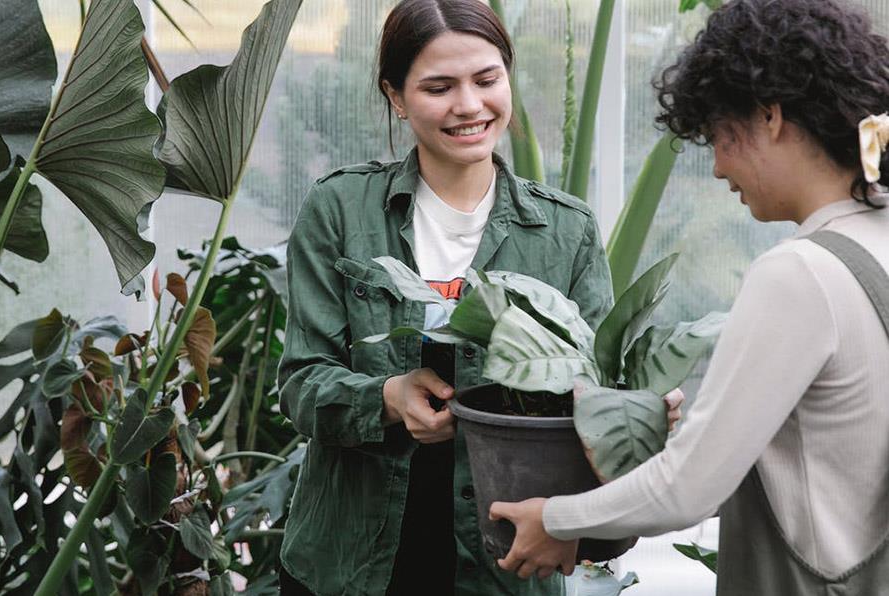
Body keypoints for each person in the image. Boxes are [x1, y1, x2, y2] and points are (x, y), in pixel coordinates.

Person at [276, 1, 683, 594]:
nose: (469, 106)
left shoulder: (565, 231)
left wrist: (640, 407)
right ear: (396, 95)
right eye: (438, 87)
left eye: (487, 80)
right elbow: (300, 383)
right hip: (352, 559)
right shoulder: (340, 211)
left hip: (507, 561)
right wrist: (388, 397)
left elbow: (594, 385)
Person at [490, 0, 889, 593]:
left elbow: (690, 486)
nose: (719, 169)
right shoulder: (878, 240)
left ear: (770, 116)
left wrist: (556, 519)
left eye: (717, 137)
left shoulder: (801, 272)